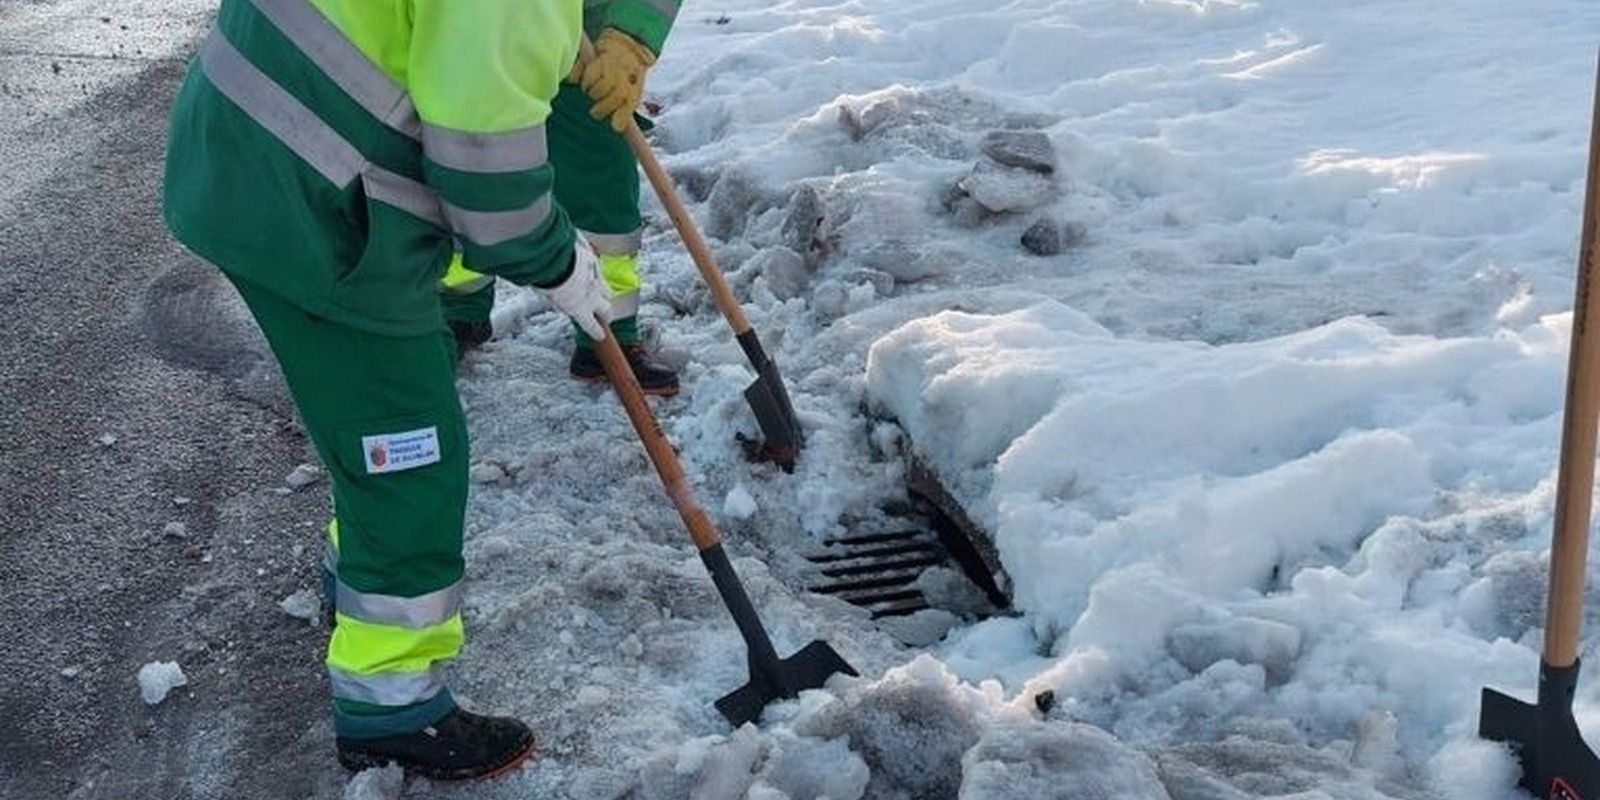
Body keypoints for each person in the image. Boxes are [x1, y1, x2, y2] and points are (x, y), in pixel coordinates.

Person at [162, 0, 615, 780]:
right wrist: (562, 264)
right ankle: (391, 704)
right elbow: (490, 185)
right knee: (411, 454)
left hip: (252, 147)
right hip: (313, 201)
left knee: (378, 417)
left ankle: (357, 569)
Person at [441, 0, 682, 397]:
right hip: (477, 43)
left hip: (590, 50)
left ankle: (608, 332)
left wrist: (631, 39)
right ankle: (456, 311)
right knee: (467, 177)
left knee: (603, 194)